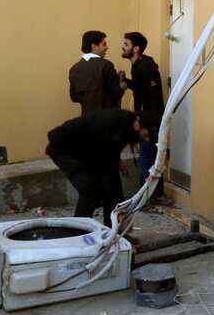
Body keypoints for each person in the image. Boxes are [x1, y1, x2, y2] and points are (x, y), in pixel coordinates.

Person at [45, 108, 149, 227]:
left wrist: (117, 161)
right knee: (90, 188)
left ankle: (111, 231)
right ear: (137, 125)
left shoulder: (124, 124)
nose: (145, 140)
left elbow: (109, 159)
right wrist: (119, 209)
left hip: (85, 151)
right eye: (145, 135)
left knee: (104, 187)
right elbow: (109, 172)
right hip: (63, 149)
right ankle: (78, 231)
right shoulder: (117, 128)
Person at [120, 31, 166, 199]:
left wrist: (147, 121)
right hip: (148, 117)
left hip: (150, 119)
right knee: (152, 159)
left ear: (136, 48)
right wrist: (128, 82)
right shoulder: (138, 65)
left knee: (147, 159)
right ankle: (155, 195)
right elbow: (142, 88)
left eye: (126, 44)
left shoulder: (145, 67)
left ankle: (145, 198)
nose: (122, 47)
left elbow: (153, 95)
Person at [69, 30, 123, 115]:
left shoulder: (74, 69)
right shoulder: (106, 65)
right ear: (94, 46)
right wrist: (122, 84)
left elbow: (74, 97)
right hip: (107, 119)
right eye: (104, 44)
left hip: (86, 119)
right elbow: (116, 93)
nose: (107, 47)